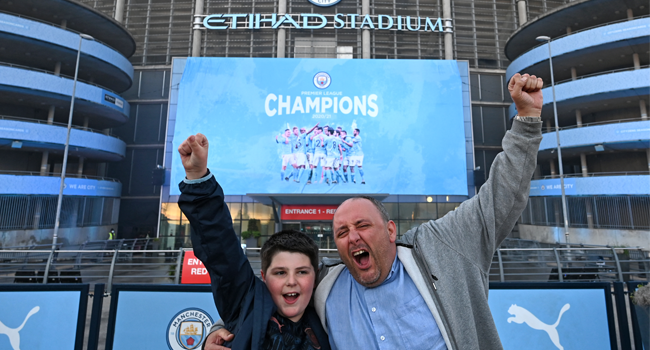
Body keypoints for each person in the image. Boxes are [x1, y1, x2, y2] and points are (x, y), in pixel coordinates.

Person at [205, 73, 544, 350]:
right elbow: (275, 298)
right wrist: (222, 329)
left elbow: (500, 198)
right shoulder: (326, 286)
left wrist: (526, 122)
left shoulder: (442, 248)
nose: (353, 236)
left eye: (363, 225)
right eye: (341, 232)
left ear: (391, 230)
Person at [177, 134, 331, 350]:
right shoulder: (247, 306)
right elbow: (221, 248)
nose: (291, 281)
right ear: (263, 278)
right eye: (280, 272)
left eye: (302, 272)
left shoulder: (332, 323)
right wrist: (197, 177)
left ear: (316, 278)